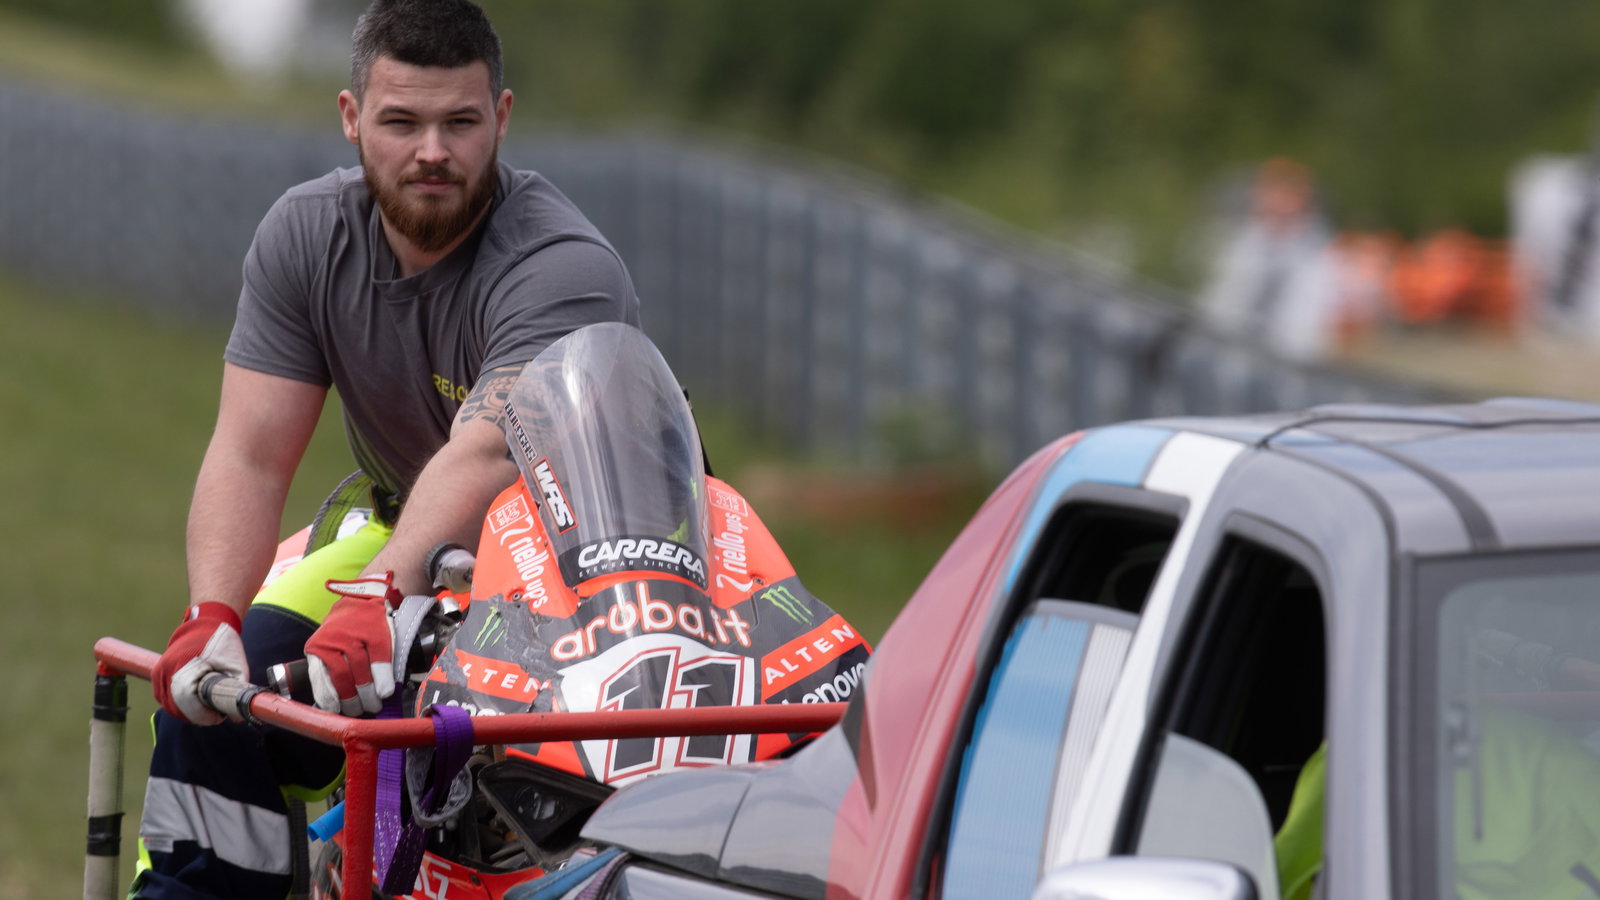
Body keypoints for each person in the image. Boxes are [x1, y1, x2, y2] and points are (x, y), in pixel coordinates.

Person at [134, 1, 640, 897]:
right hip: (406, 543)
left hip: (586, 571)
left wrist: (380, 594)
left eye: (460, 123)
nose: (432, 151)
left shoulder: (564, 265)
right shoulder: (304, 235)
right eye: (402, 122)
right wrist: (211, 614)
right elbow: (250, 452)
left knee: (460, 769)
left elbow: (489, 454)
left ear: (503, 118)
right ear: (351, 116)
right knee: (210, 704)